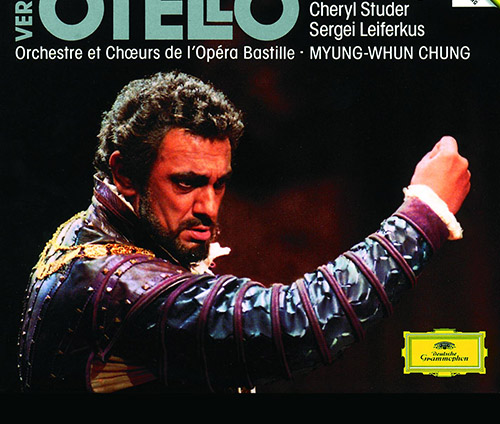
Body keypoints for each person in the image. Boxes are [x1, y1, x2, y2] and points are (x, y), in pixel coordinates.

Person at [18, 71, 471, 393]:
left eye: (219, 184)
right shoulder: (116, 281)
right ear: (125, 174)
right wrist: (423, 213)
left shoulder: (88, 235)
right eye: (186, 183)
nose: (208, 208)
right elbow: (292, 323)